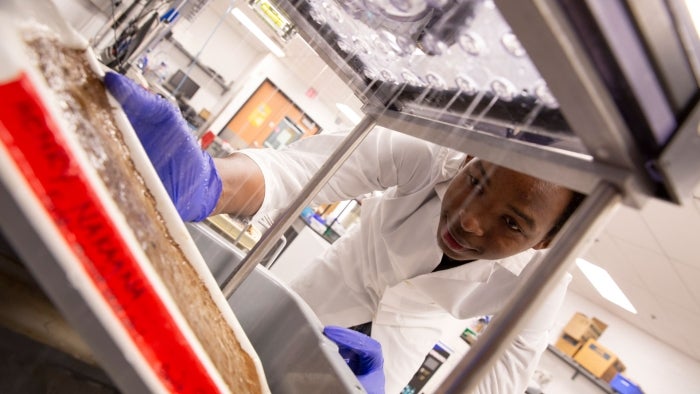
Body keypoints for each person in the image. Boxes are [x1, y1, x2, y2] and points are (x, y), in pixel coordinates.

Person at [104, 72, 583, 393]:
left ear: (543, 241)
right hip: (321, 295)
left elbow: (500, 379)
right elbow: (312, 168)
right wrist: (214, 184)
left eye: (512, 223)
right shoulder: (433, 153)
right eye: (476, 182)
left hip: (390, 360)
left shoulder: (543, 278)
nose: (472, 219)